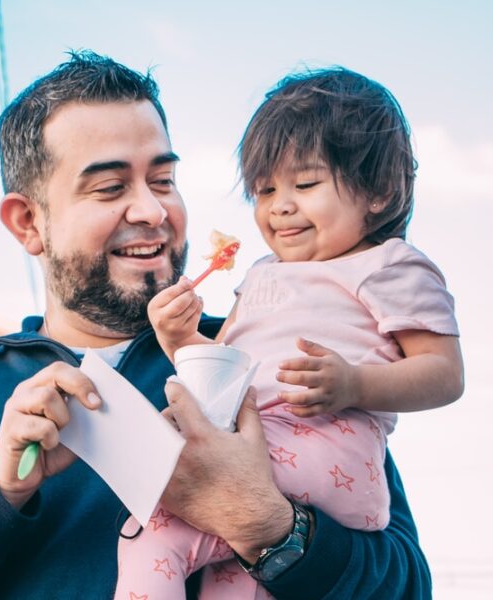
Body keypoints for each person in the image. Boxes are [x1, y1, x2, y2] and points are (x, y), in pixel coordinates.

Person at [0, 52, 433, 600]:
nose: (152, 210)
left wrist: (264, 522)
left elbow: (407, 586)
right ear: (29, 222)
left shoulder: (277, 356)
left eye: (163, 179)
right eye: (110, 188)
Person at [114, 67, 464, 599]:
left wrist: (355, 386)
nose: (280, 205)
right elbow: (229, 370)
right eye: (264, 190)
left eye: (305, 184)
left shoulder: (388, 265)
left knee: (154, 526)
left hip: (325, 445)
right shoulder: (261, 274)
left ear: (378, 190)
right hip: (267, 446)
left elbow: (445, 374)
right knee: (228, 581)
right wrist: (180, 340)